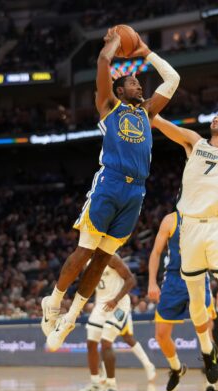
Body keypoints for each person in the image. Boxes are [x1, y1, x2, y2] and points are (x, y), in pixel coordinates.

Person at [42, 27, 180, 350]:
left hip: (136, 193)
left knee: (103, 259)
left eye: (138, 81)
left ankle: (71, 317)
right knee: (85, 251)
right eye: (133, 82)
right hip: (111, 183)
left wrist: (146, 52)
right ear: (119, 89)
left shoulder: (147, 112)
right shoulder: (109, 106)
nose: (139, 84)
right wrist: (116, 39)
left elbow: (172, 80)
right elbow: (105, 59)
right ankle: (54, 301)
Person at [152, 112, 218, 391]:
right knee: (196, 299)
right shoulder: (195, 142)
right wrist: (148, 109)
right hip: (189, 229)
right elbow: (160, 122)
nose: (216, 120)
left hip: (217, 227)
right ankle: (207, 350)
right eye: (214, 117)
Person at [148, 211, 218, 391]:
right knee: (161, 335)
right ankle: (177, 368)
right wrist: (152, 283)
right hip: (173, 281)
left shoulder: (206, 216)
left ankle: (211, 387)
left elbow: (215, 251)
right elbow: (155, 252)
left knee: (206, 333)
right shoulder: (170, 219)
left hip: (199, 277)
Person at [78, 254, 155, 391]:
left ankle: (112, 386)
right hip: (101, 305)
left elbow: (131, 280)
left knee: (107, 343)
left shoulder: (111, 257)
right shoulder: (86, 262)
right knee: (91, 343)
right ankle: (95, 383)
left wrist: (115, 300)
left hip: (119, 305)